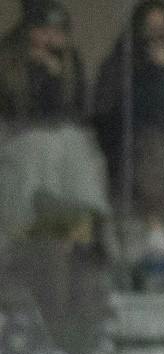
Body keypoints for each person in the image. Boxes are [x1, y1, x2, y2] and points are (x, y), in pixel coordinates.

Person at [0, 194, 137, 354]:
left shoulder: (88, 278)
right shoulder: (18, 279)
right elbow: (27, 344)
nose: (68, 244)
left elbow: (109, 333)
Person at [92, 0, 164, 265]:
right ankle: (153, 225)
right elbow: (111, 111)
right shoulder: (120, 64)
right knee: (154, 144)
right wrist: (155, 72)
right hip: (130, 143)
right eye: (151, 27)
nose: (158, 34)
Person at [0, 0, 109, 243]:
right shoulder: (8, 57)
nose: (49, 37)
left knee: (73, 145)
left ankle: (88, 223)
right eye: (43, 30)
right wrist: (35, 72)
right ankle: (32, 224)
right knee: (41, 147)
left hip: (61, 133)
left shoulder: (69, 61)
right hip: (17, 134)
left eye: (57, 31)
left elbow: (78, 110)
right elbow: (13, 109)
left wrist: (55, 75)